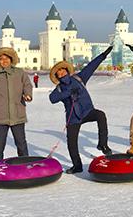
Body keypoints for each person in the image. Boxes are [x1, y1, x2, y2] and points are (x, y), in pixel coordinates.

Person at [49, 46, 113, 174]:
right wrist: (68, 93)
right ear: (57, 76)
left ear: (67, 70)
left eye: (62, 71)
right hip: (73, 117)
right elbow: (52, 98)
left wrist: (103, 55)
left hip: (88, 111)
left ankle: (103, 144)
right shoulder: (59, 88)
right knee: (72, 143)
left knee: (100, 115)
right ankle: (77, 166)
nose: (61, 73)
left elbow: (91, 66)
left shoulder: (79, 78)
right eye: (58, 73)